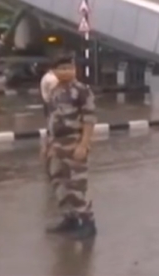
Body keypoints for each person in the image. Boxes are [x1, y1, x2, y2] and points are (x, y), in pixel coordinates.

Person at [41, 54, 97, 239]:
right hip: (56, 144)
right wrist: (47, 144)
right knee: (58, 182)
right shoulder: (54, 91)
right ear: (54, 71)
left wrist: (84, 144)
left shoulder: (82, 91)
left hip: (74, 141)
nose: (66, 72)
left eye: (69, 68)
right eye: (62, 68)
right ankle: (69, 218)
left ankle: (88, 222)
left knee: (76, 184)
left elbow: (89, 120)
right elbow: (50, 120)